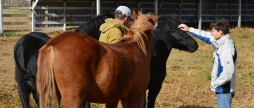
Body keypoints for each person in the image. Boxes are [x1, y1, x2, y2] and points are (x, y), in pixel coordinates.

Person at [178, 19, 237, 108]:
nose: (212, 33)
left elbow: (228, 73)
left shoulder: (226, 48)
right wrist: (189, 29)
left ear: (220, 32)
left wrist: (215, 83)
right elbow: (207, 36)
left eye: (213, 31)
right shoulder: (221, 41)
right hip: (223, 89)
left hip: (224, 90)